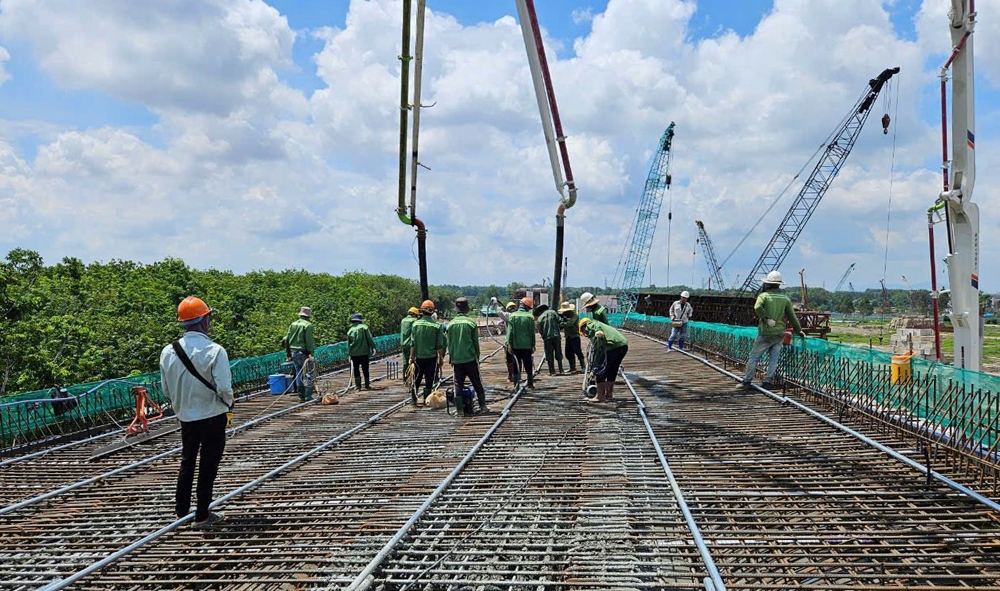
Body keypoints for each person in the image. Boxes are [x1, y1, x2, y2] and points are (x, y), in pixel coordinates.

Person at [160, 296, 233, 528]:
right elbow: (224, 387)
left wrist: (181, 405)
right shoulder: (215, 351)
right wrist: (228, 403)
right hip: (212, 415)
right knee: (208, 464)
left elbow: (166, 389)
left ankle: (181, 512)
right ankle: (202, 514)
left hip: (186, 418)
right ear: (204, 320)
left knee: (187, 461)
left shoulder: (168, 352)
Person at [741, 270, 805, 389]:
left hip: (765, 332)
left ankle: (747, 381)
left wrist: (765, 318)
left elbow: (757, 307)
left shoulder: (763, 296)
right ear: (779, 284)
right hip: (779, 333)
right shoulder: (785, 299)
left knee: (754, 357)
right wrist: (798, 330)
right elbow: (792, 316)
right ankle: (767, 381)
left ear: (767, 284)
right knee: (774, 358)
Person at [447, 297, 489, 416]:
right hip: (470, 358)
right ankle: (483, 406)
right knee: (476, 382)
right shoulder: (471, 323)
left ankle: (460, 411)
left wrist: (451, 358)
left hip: (457, 359)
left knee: (457, 385)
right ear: (467, 309)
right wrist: (477, 356)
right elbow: (475, 342)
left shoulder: (450, 324)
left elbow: (449, 344)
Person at [579, 317, 628, 403]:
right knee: (612, 370)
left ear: (583, 327)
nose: (586, 333)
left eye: (584, 331)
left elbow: (596, 327)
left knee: (600, 369)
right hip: (622, 345)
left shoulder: (590, 324)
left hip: (612, 346)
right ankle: (609, 394)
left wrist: (594, 367)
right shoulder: (602, 326)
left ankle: (599, 396)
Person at [410, 299, 446, 405]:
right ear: (432, 312)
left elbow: (413, 343)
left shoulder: (415, 325)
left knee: (416, 378)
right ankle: (427, 400)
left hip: (419, 357)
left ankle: (413, 400)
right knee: (429, 379)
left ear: (421, 311)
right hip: (431, 358)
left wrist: (411, 357)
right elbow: (439, 345)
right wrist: (441, 358)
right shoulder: (437, 326)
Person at [284, 306, 315, 401]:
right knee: (308, 373)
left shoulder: (292, 324)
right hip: (304, 353)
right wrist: (311, 353)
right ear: (308, 316)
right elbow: (309, 341)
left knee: (298, 373)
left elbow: (287, 339)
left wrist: (288, 353)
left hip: (294, 352)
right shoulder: (308, 325)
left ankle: (301, 396)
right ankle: (308, 396)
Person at [506, 297, 536, 389]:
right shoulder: (530, 317)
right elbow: (532, 333)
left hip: (515, 346)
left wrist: (508, 344)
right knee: (528, 365)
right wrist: (533, 345)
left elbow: (509, 332)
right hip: (527, 346)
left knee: (515, 365)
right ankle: (530, 384)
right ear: (527, 307)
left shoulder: (512, 316)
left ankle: (516, 385)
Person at [347, 313, 377, 390]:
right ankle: (367, 385)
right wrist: (373, 347)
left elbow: (349, 344)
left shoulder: (350, 330)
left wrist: (349, 354)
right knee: (365, 369)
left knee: (356, 369)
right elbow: (369, 339)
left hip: (354, 353)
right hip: (364, 352)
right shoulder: (364, 328)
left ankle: (358, 386)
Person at [534, 303, 564, 375]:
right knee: (558, 352)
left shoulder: (540, 318)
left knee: (549, 354)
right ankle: (561, 369)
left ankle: (552, 371)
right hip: (556, 336)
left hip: (547, 338)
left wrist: (544, 336)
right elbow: (560, 321)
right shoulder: (553, 312)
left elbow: (540, 330)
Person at [558, 301, 585, 373]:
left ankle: (583, 367)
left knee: (578, 351)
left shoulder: (575, 315)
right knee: (568, 353)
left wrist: (562, 322)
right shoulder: (564, 315)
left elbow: (569, 324)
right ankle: (572, 368)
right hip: (568, 336)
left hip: (575, 336)